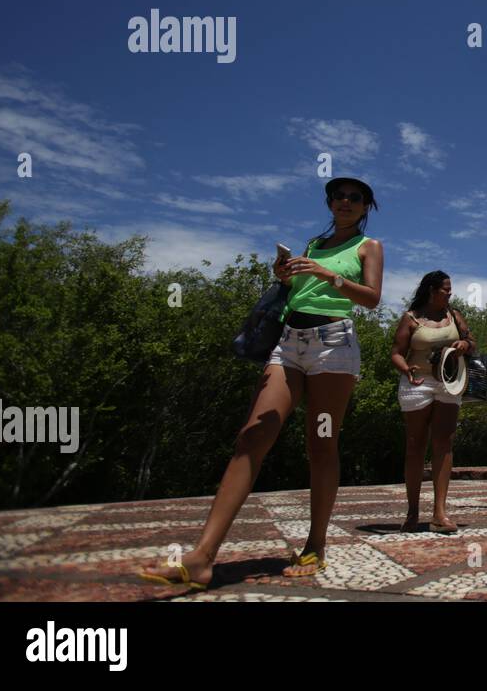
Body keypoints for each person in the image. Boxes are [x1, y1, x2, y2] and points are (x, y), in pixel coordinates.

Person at [138, 178, 384, 588]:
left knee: (321, 443)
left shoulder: (368, 247)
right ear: (329, 203)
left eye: (354, 198)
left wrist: (329, 276)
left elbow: (372, 298)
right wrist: (287, 277)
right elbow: (295, 293)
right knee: (252, 437)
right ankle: (201, 558)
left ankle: (316, 544)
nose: (344, 201)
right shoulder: (313, 244)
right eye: (338, 196)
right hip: (289, 342)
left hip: (333, 347)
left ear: (364, 208)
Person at [394, 270, 476, 533]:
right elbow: (396, 352)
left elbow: (472, 342)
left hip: (449, 383)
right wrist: (406, 369)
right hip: (418, 383)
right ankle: (412, 512)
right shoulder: (411, 318)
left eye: (450, 290)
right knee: (415, 445)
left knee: (444, 443)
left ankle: (439, 513)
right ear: (432, 290)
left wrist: (464, 344)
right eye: (445, 290)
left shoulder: (455, 315)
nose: (450, 294)